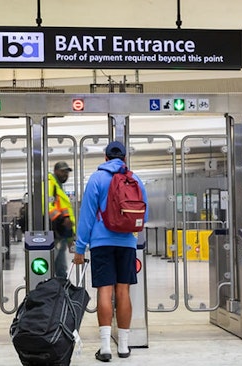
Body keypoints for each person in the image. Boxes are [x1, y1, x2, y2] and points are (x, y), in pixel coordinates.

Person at [73, 141, 148, 362]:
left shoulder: (97, 178)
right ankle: (123, 346)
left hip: (101, 243)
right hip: (126, 243)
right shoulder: (135, 179)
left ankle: (105, 347)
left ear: (105, 158)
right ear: (124, 158)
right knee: (123, 291)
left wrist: (80, 248)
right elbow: (145, 214)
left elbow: (87, 216)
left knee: (105, 290)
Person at [48, 161, 76, 278]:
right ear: (55, 171)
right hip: (54, 232)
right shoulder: (50, 184)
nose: (65, 174)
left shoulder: (59, 187)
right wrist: (60, 218)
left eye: (67, 172)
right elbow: (46, 205)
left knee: (61, 267)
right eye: (63, 171)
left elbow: (65, 212)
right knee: (51, 265)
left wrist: (70, 237)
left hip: (61, 232)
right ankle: (50, 290)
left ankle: (60, 291)